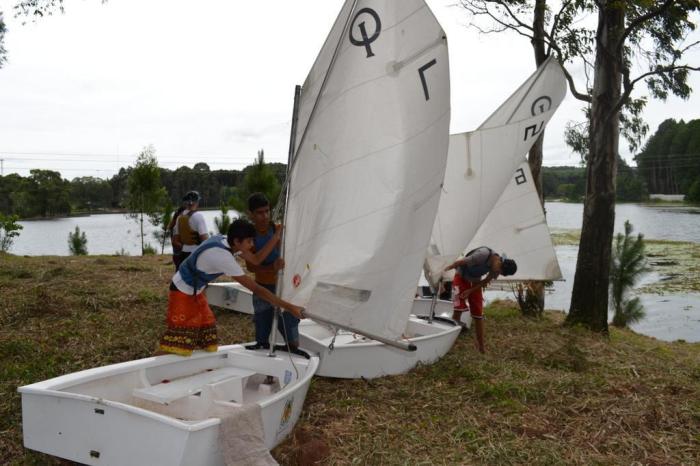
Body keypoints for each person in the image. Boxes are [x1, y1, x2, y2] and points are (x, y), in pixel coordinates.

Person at [157, 218, 305, 356]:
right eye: (249, 241)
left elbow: (256, 259)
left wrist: (276, 236)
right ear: (237, 241)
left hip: (196, 290)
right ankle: (157, 369)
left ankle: (196, 364)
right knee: (178, 337)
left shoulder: (226, 241)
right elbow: (257, 289)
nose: (252, 245)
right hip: (182, 290)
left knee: (205, 329)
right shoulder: (223, 257)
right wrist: (290, 307)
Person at [245, 192, 300, 351]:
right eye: (260, 213)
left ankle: (293, 357)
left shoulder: (279, 230)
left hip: (284, 288)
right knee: (262, 332)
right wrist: (271, 268)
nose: (265, 216)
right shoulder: (250, 237)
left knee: (291, 333)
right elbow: (251, 267)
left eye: (267, 211)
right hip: (263, 288)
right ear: (251, 214)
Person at [444, 247, 517, 354]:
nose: (496, 272)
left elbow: (486, 281)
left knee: (478, 314)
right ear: (500, 262)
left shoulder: (497, 266)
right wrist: (444, 270)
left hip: (475, 281)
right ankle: (448, 343)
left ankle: (481, 346)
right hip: (461, 276)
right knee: (458, 309)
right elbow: (459, 262)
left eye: (499, 273)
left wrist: (470, 291)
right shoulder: (482, 255)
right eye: (498, 270)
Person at [172, 190, 208, 270]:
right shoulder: (198, 216)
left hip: (183, 254)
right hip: (196, 255)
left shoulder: (179, 217)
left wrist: (185, 245)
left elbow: (175, 241)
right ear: (196, 202)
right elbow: (205, 240)